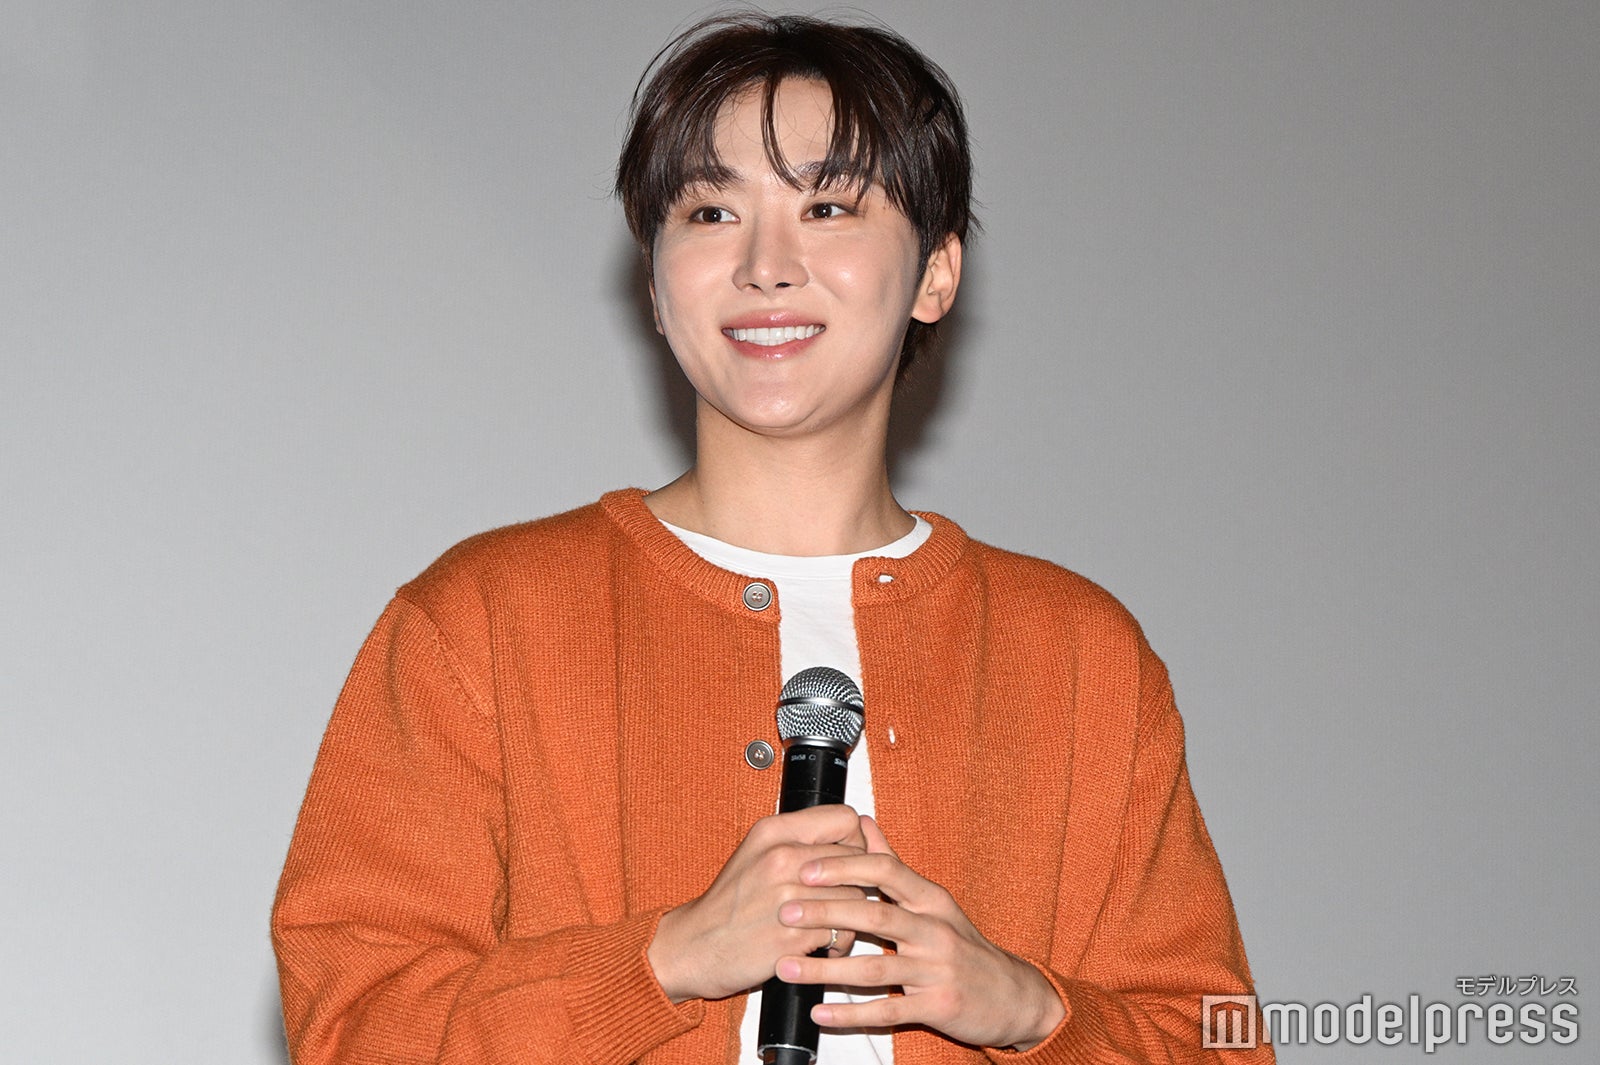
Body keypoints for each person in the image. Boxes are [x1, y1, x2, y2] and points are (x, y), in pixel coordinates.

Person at [272, 13, 1271, 1064]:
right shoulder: (480, 620)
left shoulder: (1078, 655)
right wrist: (661, 960)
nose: (764, 264)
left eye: (828, 207)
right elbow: (353, 1026)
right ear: (655, 283)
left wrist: (1033, 1012)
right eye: (710, 211)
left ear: (936, 272)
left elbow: (1218, 1040)